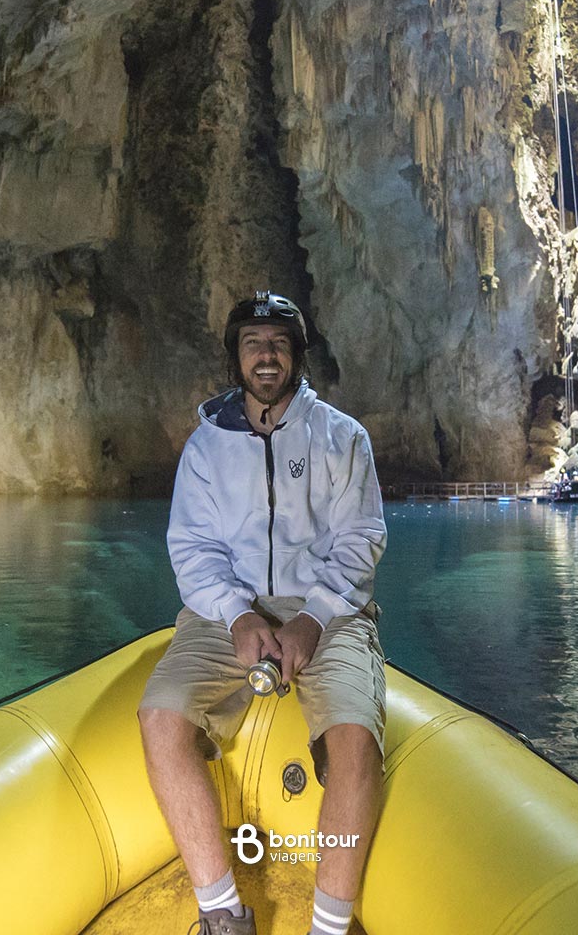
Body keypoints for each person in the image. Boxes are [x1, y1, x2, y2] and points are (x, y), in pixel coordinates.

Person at [138, 291, 388, 935]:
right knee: (159, 720)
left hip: (326, 610)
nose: (266, 355)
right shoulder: (204, 448)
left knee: (355, 741)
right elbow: (191, 547)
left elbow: (361, 538)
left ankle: (329, 928)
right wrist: (236, 615)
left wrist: (314, 618)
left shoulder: (341, 437)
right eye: (253, 343)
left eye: (278, 342)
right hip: (226, 613)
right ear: (235, 358)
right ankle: (223, 913)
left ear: (299, 356)